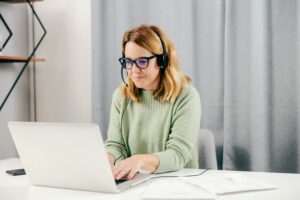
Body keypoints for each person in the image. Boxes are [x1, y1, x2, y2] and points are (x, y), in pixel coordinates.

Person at [105, 24, 201, 181]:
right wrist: (108, 159)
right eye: (128, 62)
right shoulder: (121, 95)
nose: (134, 70)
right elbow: (116, 145)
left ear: (162, 61)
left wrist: (140, 160)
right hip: (135, 182)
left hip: (179, 184)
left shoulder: (187, 96)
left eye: (142, 61)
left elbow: (178, 154)